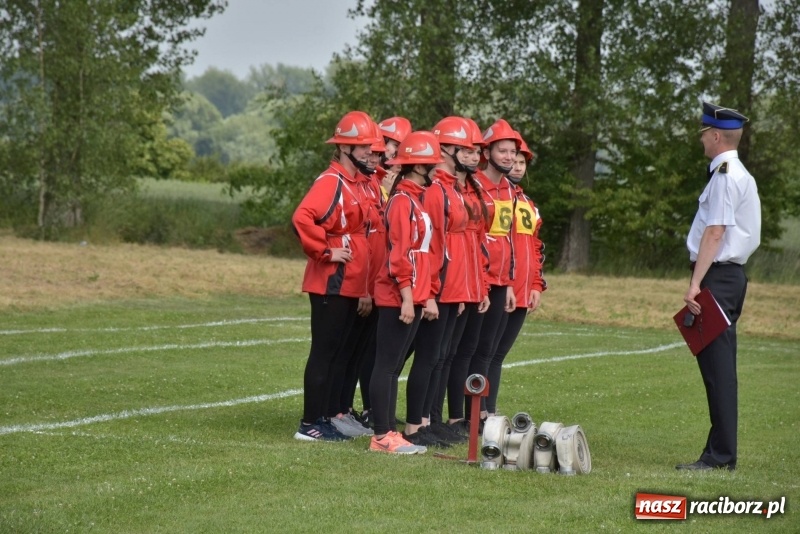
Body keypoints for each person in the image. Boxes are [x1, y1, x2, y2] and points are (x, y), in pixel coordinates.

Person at [676, 102, 761, 472]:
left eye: (703, 134)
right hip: (725, 275)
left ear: (714, 135)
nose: (700, 140)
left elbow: (716, 231)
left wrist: (695, 284)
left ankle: (721, 456)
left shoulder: (726, 175)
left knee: (718, 368)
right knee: (715, 367)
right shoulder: (732, 172)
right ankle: (717, 451)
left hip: (719, 275)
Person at [291, 110, 379, 442]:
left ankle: (327, 416)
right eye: (364, 147)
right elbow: (303, 218)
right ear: (345, 148)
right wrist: (326, 251)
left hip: (350, 281)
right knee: (325, 352)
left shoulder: (356, 182)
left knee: (340, 352)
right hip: (332, 280)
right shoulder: (332, 181)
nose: (371, 152)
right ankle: (310, 423)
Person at [369, 130, 443, 455]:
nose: (438, 169)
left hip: (410, 295)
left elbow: (421, 255)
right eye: (433, 163)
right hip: (397, 297)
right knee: (386, 365)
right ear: (418, 166)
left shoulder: (414, 199)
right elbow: (399, 255)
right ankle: (382, 435)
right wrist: (409, 297)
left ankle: (390, 432)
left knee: (393, 366)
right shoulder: (402, 201)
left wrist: (425, 294)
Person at [485, 132, 546, 417]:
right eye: (515, 159)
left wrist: (535, 284)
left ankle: (489, 410)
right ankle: (477, 412)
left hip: (521, 290)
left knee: (498, 355)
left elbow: (535, 247)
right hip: (499, 286)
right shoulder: (496, 198)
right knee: (484, 353)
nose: (518, 165)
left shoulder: (528, 204)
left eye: (523, 161)